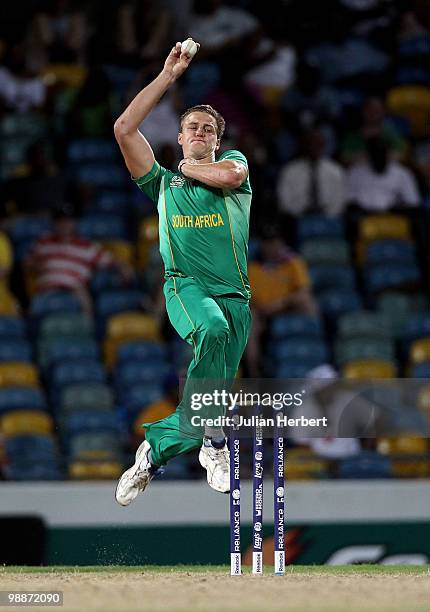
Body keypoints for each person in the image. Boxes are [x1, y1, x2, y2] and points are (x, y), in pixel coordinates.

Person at [114, 41, 251, 506]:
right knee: (209, 330)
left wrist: (194, 167)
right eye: (191, 127)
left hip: (237, 298)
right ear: (178, 136)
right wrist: (167, 77)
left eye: (207, 129)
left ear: (217, 140)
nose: (198, 132)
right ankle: (214, 442)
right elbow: (124, 128)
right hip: (185, 287)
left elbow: (229, 178)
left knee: (209, 394)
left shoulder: (236, 169)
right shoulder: (163, 185)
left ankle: (154, 452)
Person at [25, 203, 131, 316]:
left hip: (75, 290)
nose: (65, 225)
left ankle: (89, 327)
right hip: (47, 289)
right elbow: (27, 264)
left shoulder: (87, 246)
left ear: (75, 223)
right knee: (34, 307)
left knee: (84, 299)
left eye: (68, 221)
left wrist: (123, 268)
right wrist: (38, 266)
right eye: (61, 221)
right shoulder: (43, 242)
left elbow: (111, 261)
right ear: (54, 223)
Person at [246, 225, 317, 377]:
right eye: (267, 243)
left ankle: (316, 350)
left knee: (308, 302)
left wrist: (283, 303)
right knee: (249, 318)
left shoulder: (292, 261)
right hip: (261, 311)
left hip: (286, 306)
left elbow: (304, 291)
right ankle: (254, 372)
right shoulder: (253, 265)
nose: (271, 247)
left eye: (275, 242)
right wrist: (263, 307)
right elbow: (246, 296)